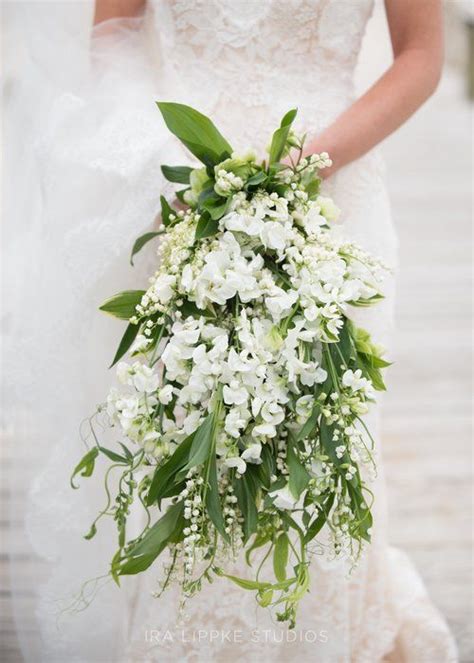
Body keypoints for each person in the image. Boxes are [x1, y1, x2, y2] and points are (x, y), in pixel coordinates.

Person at [4, 1, 457, 660]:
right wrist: (166, 159)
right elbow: (111, 40)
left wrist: (310, 160)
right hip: (178, 197)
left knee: (322, 442)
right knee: (184, 445)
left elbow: (421, 55)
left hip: (331, 202)